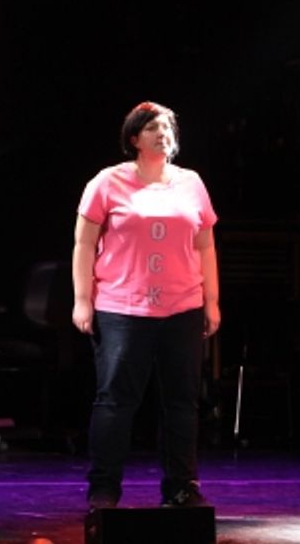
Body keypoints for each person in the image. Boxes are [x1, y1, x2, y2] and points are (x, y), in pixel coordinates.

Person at [71, 101, 220, 511]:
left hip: (182, 307)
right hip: (122, 308)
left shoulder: (191, 183)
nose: (162, 132)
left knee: (182, 401)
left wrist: (212, 301)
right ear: (134, 138)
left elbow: (205, 245)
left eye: (168, 126)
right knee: (116, 401)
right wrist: (83, 300)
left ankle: (182, 486)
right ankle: (104, 489)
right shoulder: (107, 182)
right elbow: (84, 244)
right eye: (152, 127)